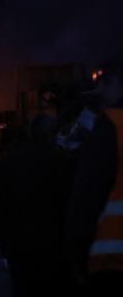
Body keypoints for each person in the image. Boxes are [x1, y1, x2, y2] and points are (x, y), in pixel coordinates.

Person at [0, 114, 74, 296]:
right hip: (53, 247)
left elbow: (0, 205)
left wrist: (4, 242)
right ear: (52, 134)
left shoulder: (12, 161)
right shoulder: (61, 161)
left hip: (20, 247)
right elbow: (70, 204)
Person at [67, 63, 123, 295]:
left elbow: (87, 194)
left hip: (110, 261)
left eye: (107, 83)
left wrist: (76, 251)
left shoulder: (111, 128)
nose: (99, 89)